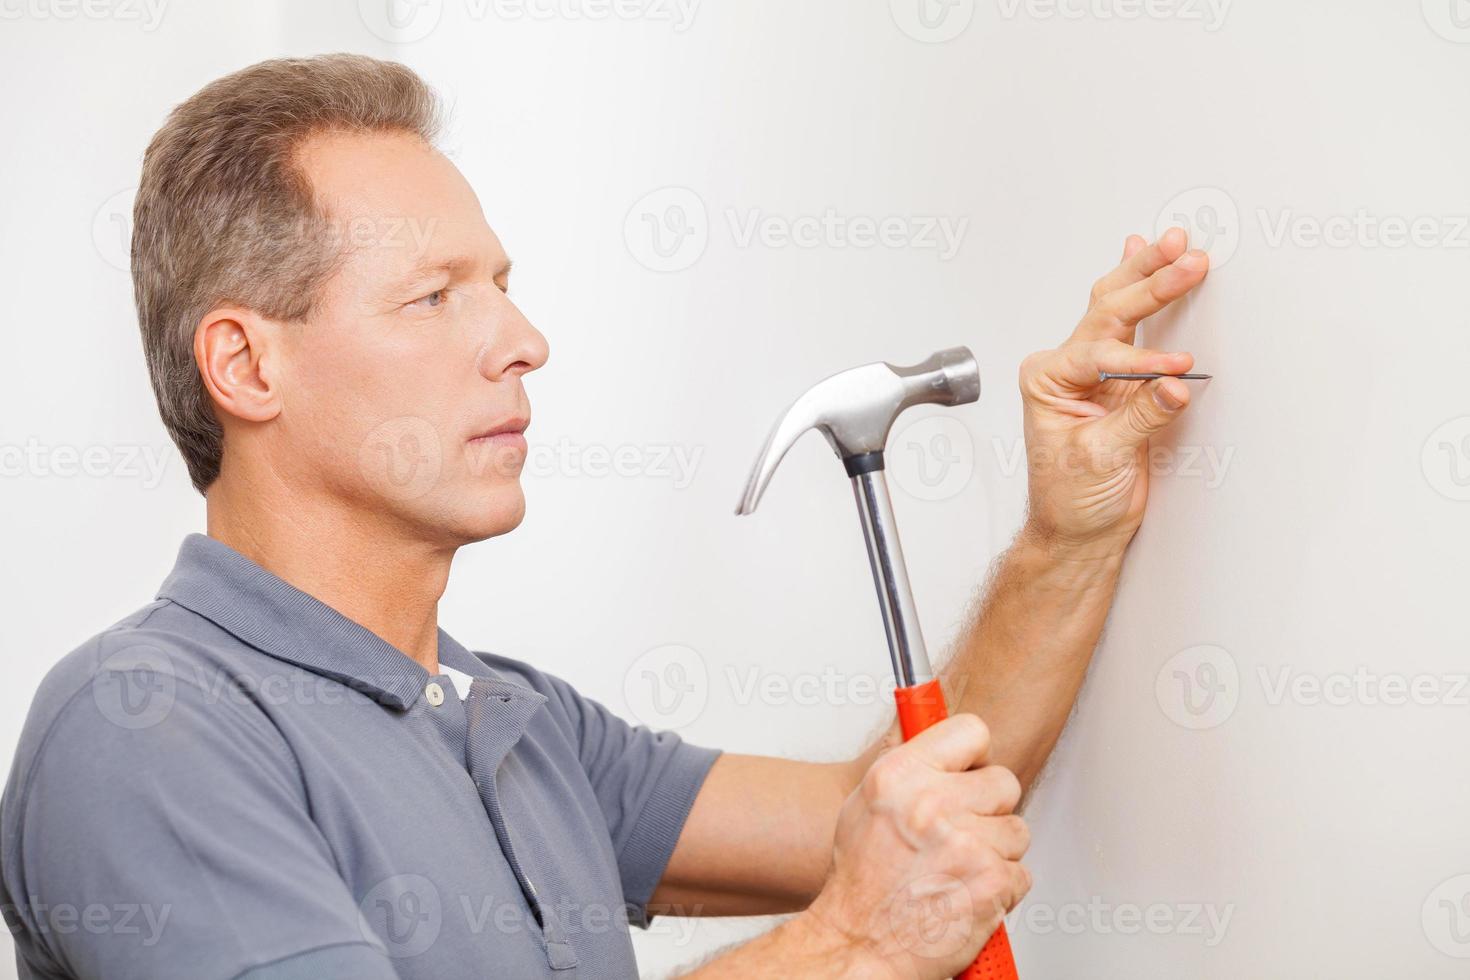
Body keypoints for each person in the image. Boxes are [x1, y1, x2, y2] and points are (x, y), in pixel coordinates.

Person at [0, 54, 1208, 979]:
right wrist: (849, 945)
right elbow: (877, 898)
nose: (523, 342)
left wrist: (1071, 534)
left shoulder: (519, 723)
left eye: (504, 289)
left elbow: (908, 804)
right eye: (432, 298)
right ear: (246, 365)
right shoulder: (145, 727)